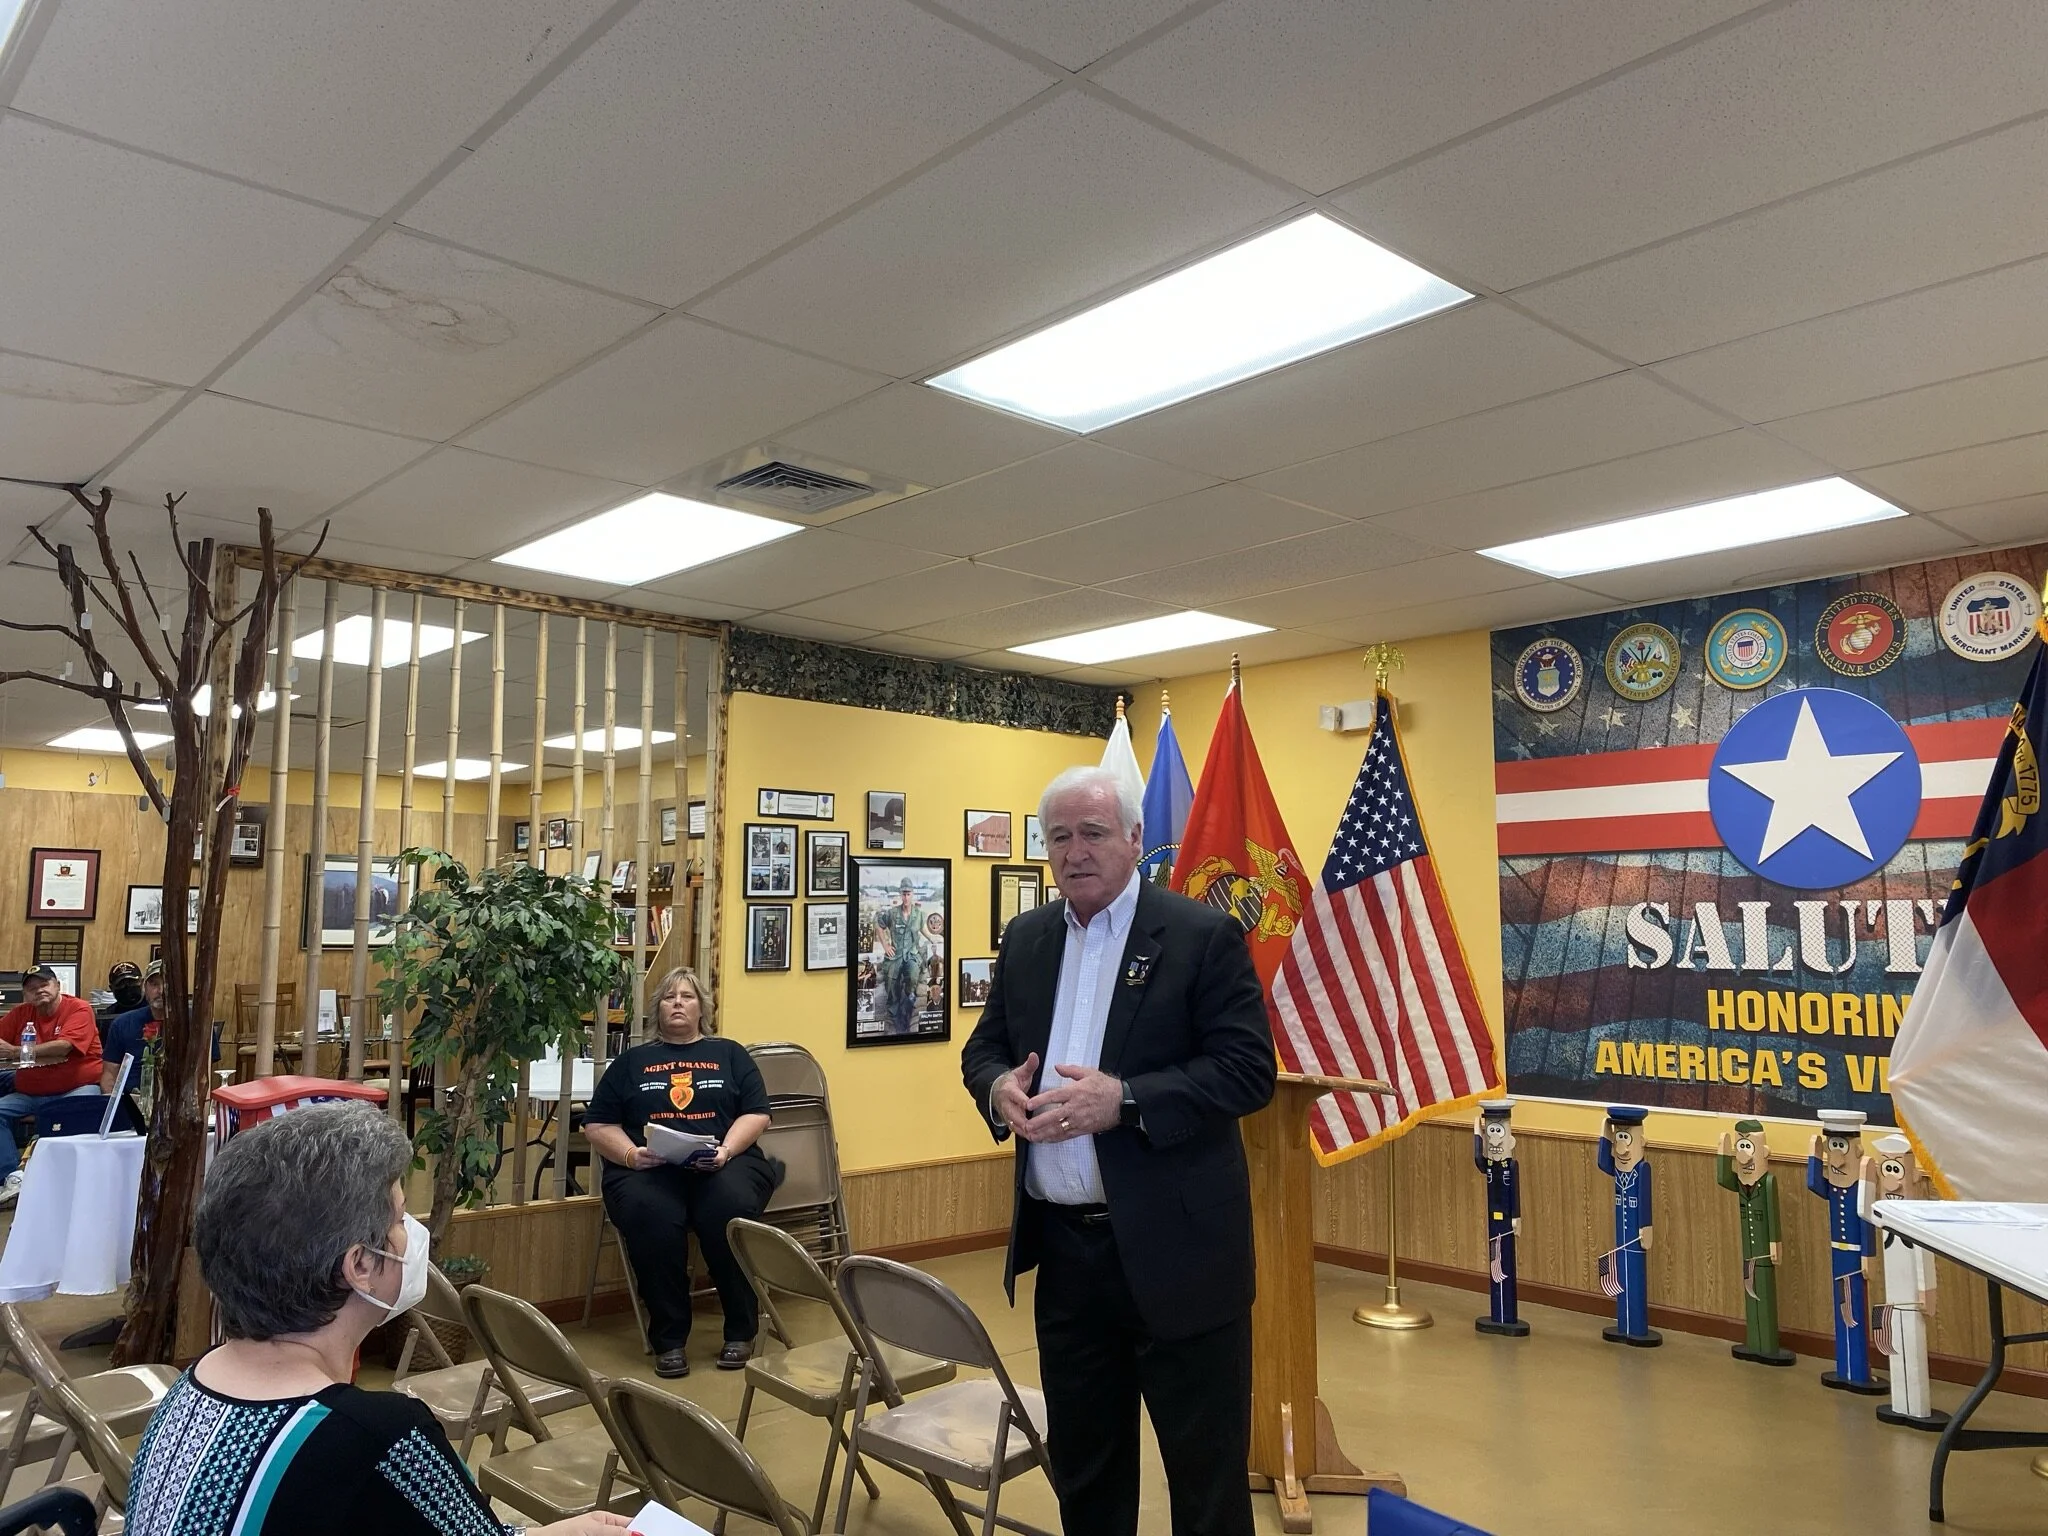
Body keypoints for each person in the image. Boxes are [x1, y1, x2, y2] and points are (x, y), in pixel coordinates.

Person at [961, 765, 1276, 1536]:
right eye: (1059, 837)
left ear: (1136, 839)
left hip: (1181, 1260)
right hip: (1068, 1264)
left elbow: (1247, 1072)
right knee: (1088, 1480)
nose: (1075, 852)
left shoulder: (1202, 936)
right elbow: (985, 1048)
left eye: (1094, 833)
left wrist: (1125, 1100)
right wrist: (998, 1086)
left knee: (1205, 1487)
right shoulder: (1028, 937)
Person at [126, 1102, 627, 1535]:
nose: (411, 1232)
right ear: (361, 1265)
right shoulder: (375, 1438)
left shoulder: (188, 1391)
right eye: (399, 1217)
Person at [583, 967, 780, 1379]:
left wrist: (725, 1150)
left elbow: (757, 1114)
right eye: (670, 997)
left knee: (729, 1209)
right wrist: (632, 1154)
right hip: (648, 1166)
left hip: (724, 1161)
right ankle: (669, 1340)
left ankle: (741, 1330)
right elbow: (598, 1125)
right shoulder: (632, 1061)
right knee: (650, 1214)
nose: (678, 1003)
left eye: (687, 997)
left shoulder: (730, 1054)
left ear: (702, 1008)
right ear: (658, 1009)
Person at [0, 963, 104, 1207]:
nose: (39, 991)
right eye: (32, 988)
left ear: (57, 986)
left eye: (44, 984)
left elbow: (64, 1046)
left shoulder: (79, 1008)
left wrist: (16, 1051)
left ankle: (66, 1183)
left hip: (77, 1087)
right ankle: (12, 1178)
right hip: (30, 1092)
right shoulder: (21, 1014)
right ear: (25, 995)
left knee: (77, 1114)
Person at [1715, 1119, 1794, 1366]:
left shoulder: (1767, 1184)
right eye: (1740, 1146)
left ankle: (1767, 1344)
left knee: (1764, 1298)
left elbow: (1772, 1216)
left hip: (1763, 1254)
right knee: (1751, 1297)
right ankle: (1754, 1342)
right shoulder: (1740, 1184)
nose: (1743, 1153)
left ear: (1763, 1152)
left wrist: (1774, 1245)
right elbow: (1723, 1179)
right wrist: (1723, 1150)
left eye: (1748, 1146)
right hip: (1748, 1256)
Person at [875, 877, 928, 1034]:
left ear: (913, 895)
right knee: (891, 980)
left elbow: (922, 930)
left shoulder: (918, 914)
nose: (906, 897)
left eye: (909, 894)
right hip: (895, 954)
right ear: (900, 894)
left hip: (911, 953)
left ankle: (907, 1002)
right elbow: (878, 925)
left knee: (912, 975)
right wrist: (885, 945)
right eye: (904, 894)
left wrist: (933, 939)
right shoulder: (892, 914)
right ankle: (895, 1012)